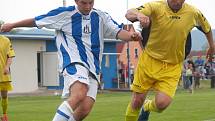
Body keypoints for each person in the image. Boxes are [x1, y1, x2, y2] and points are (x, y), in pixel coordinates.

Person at [0, 0, 141, 121]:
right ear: (75, 1)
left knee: (85, 109)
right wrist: (13, 25)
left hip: (93, 67)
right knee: (79, 92)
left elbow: (118, 32)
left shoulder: (101, 16)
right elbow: (37, 21)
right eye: (83, 2)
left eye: (90, 2)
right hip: (73, 61)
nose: (87, 6)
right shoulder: (64, 14)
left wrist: (132, 36)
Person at [124, 0, 215, 121]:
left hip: (172, 66)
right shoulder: (155, 6)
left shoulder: (193, 12)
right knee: (136, 101)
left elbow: (207, 28)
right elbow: (129, 13)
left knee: (162, 104)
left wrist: (212, 46)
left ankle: (147, 107)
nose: (177, 1)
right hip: (149, 61)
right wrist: (139, 15)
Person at [0, 34, 15, 121]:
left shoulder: (6, 40)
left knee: (4, 95)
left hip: (3, 74)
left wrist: (6, 67)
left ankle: (4, 115)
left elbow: (10, 56)